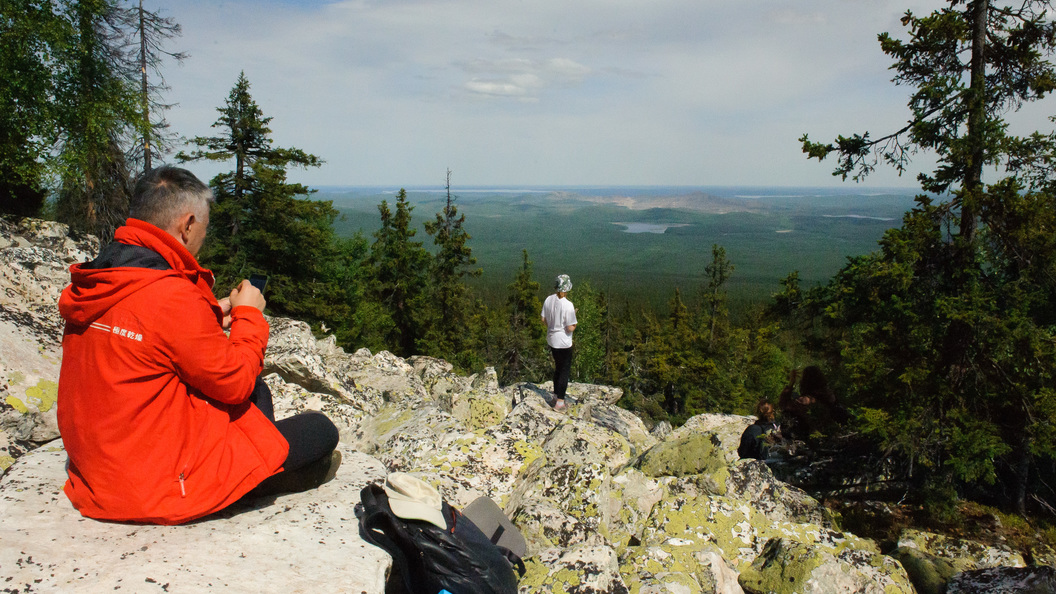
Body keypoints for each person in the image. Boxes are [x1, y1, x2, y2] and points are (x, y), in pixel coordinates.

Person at [57, 165, 339, 525]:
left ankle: (250, 470)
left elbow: (145, 337)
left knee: (259, 392)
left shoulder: (103, 277)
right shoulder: (171, 297)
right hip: (154, 488)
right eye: (204, 228)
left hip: (101, 469)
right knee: (319, 429)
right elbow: (233, 383)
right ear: (188, 225)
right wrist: (249, 315)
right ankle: (248, 484)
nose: (203, 238)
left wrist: (206, 316)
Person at [778, 365, 847, 441]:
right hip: (832, 437)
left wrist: (791, 383)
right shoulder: (830, 396)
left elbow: (783, 404)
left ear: (805, 382)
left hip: (811, 440)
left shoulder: (805, 401)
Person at [540, 274, 578, 410]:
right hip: (564, 342)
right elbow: (569, 327)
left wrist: (552, 327)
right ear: (567, 288)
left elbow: (543, 319)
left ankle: (555, 397)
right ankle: (560, 403)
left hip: (551, 340)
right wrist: (575, 320)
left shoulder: (548, 300)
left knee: (558, 367)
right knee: (564, 371)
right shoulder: (568, 305)